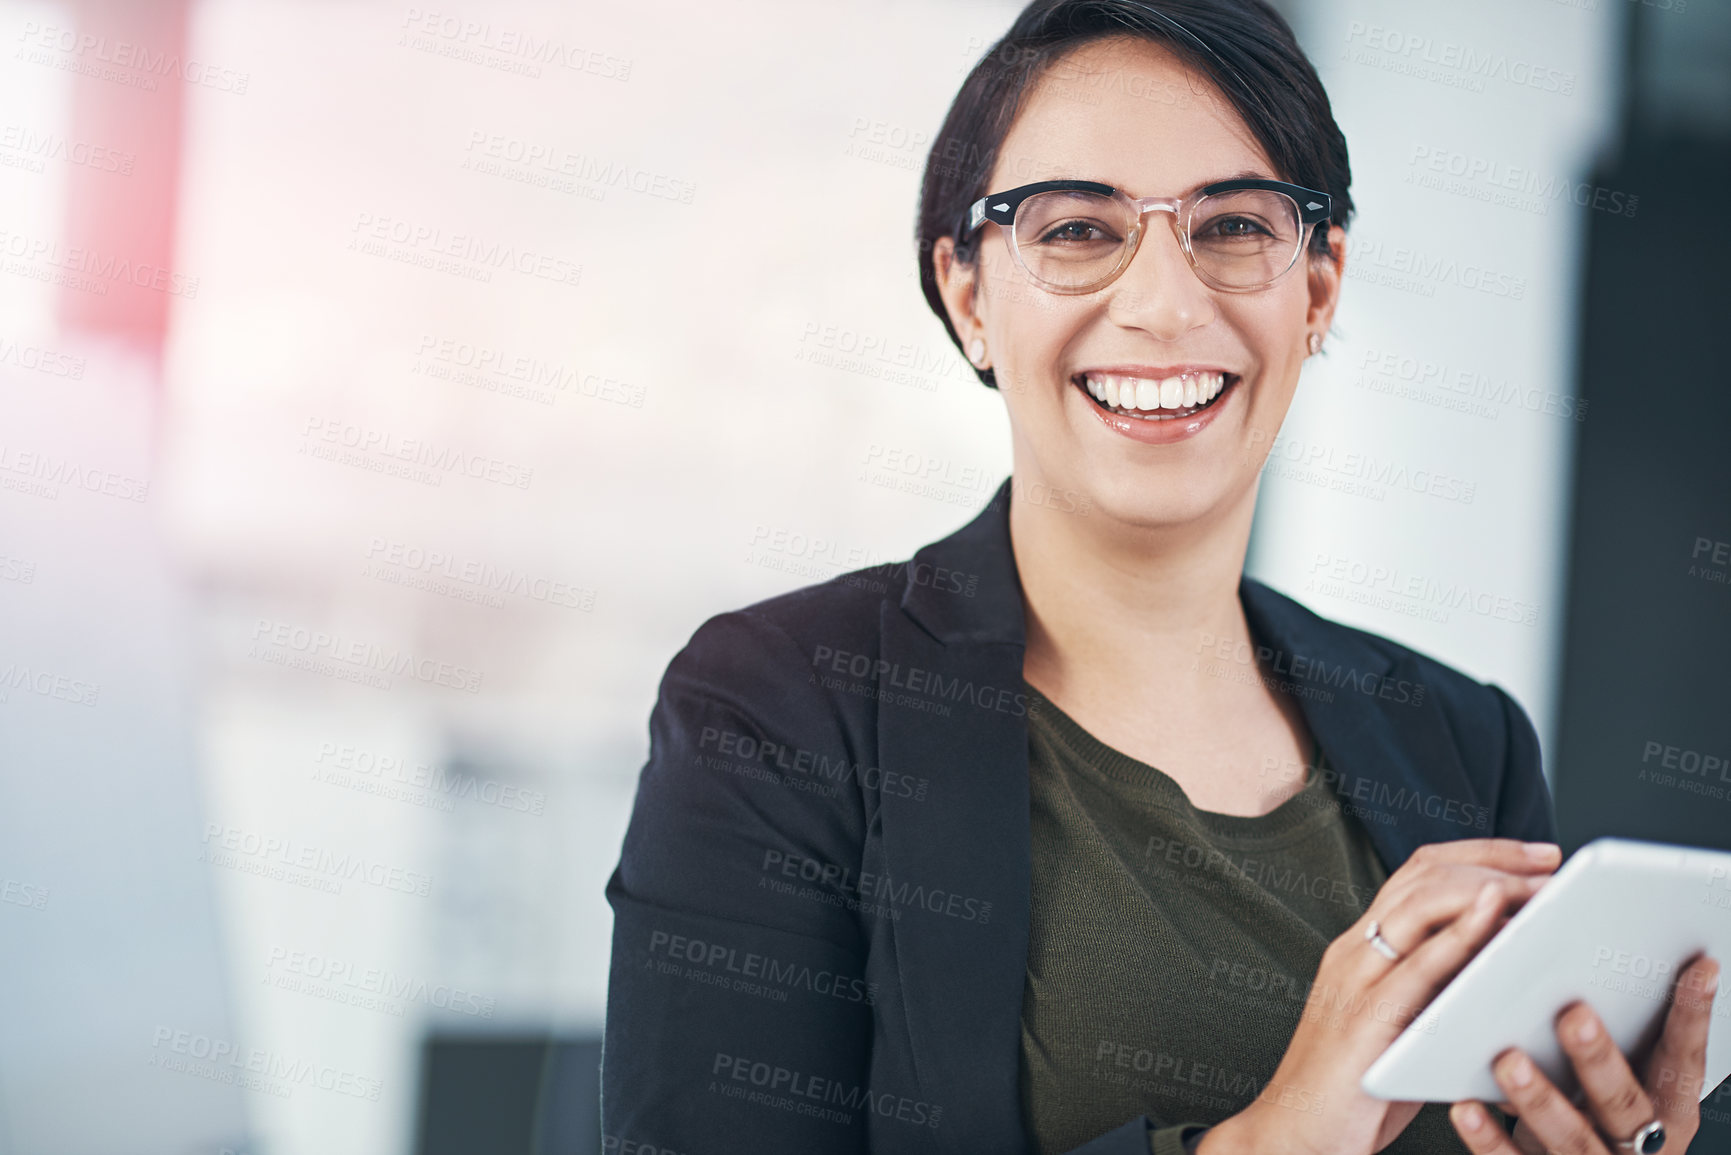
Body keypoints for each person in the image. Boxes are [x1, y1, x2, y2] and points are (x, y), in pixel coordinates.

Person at [599, 2, 1721, 1152]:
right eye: (1077, 231)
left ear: (1319, 288)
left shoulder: (1459, 740)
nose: (1165, 302)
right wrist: (1267, 1139)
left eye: (1235, 225)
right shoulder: (778, 707)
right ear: (970, 293)